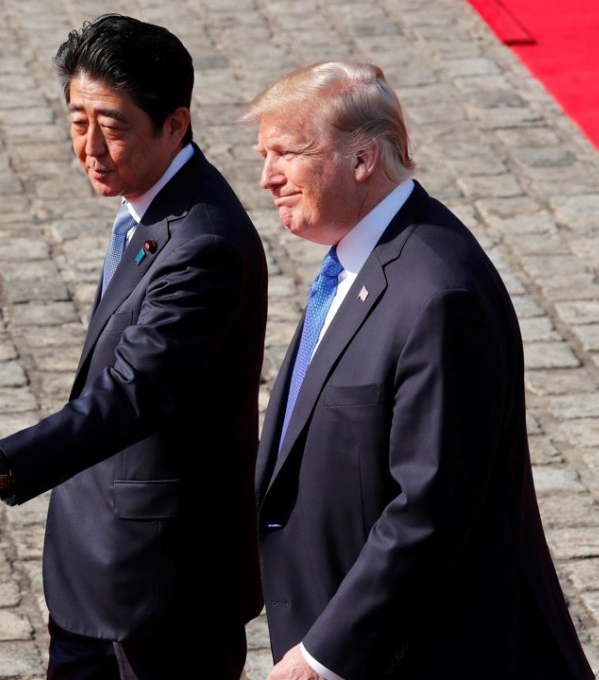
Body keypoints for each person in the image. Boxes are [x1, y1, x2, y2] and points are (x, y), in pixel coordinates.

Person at [0, 14, 268, 680]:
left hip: (159, 592)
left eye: (113, 127)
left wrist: (1, 459)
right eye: (77, 121)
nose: (90, 147)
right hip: (104, 574)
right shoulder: (149, 211)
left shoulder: (201, 241)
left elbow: (132, 394)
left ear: (175, 124)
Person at [245, 61, 596, 680]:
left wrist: (322, 658)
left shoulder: (438, 295)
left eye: (286, 154)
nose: (267, 177)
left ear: (363, 160)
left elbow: (429, 507)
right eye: (263, 155)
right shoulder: (357, 262)